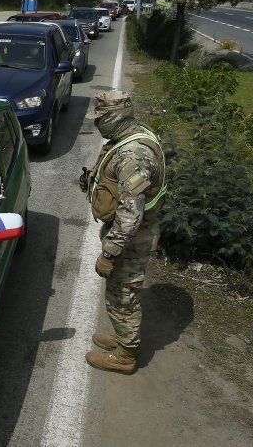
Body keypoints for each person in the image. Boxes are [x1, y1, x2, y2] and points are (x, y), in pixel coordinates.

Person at [79, 90, 167, 374]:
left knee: (123, 295)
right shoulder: (129, 135)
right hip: (130, 232)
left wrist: (109, 253)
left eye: (101, 118)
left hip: (131, 238)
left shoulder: (133, 155)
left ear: (116, 116)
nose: (97, 124)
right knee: (120, 292)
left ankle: (126, 355)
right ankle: (122, 338)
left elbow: (130, 215)